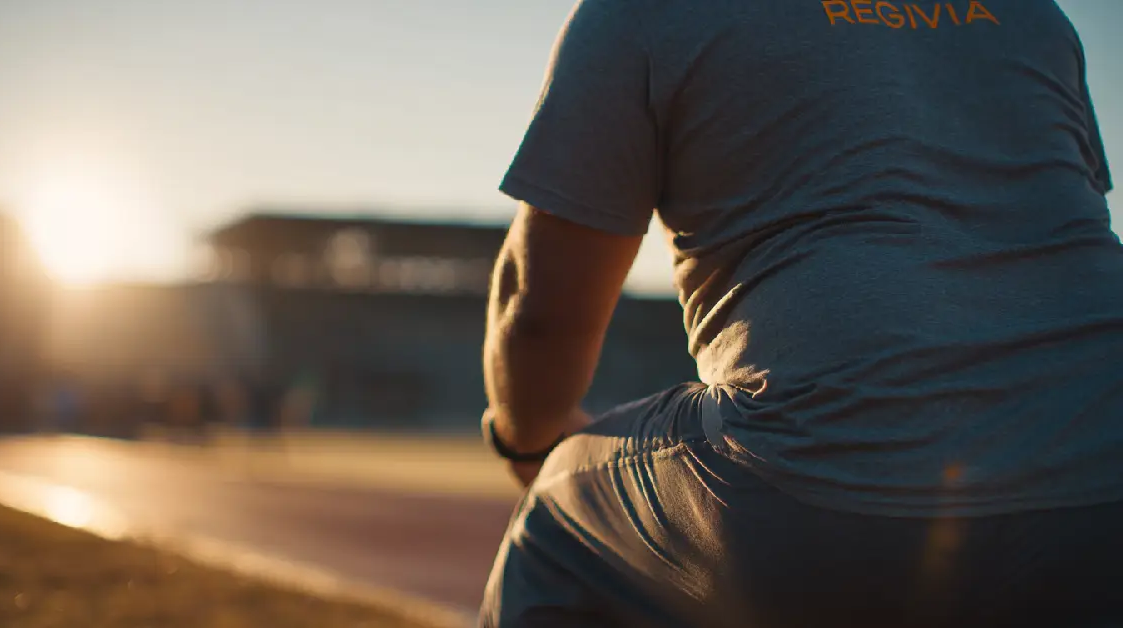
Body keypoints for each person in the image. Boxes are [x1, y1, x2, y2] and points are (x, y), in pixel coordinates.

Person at [477, 1, 1121, 626]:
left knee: (556, 519)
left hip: (828, 474)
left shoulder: (643, 11)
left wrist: (526, 439)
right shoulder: (1033, 13)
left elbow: (541, 311)